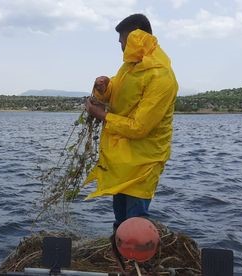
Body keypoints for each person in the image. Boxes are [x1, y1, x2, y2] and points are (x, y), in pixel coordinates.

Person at [83, 13, 178, 234]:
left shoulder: (162, 77)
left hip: (145, 161)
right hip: (123, 160)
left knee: (135, 222)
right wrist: (103, 87)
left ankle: (137, 264)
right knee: (120, 218)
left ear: (136, 38)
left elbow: (140, 127)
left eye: (123, 42)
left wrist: (102, 116)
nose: (121, 47)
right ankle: (121, 261)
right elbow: (116, 92)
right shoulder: (130, 68)